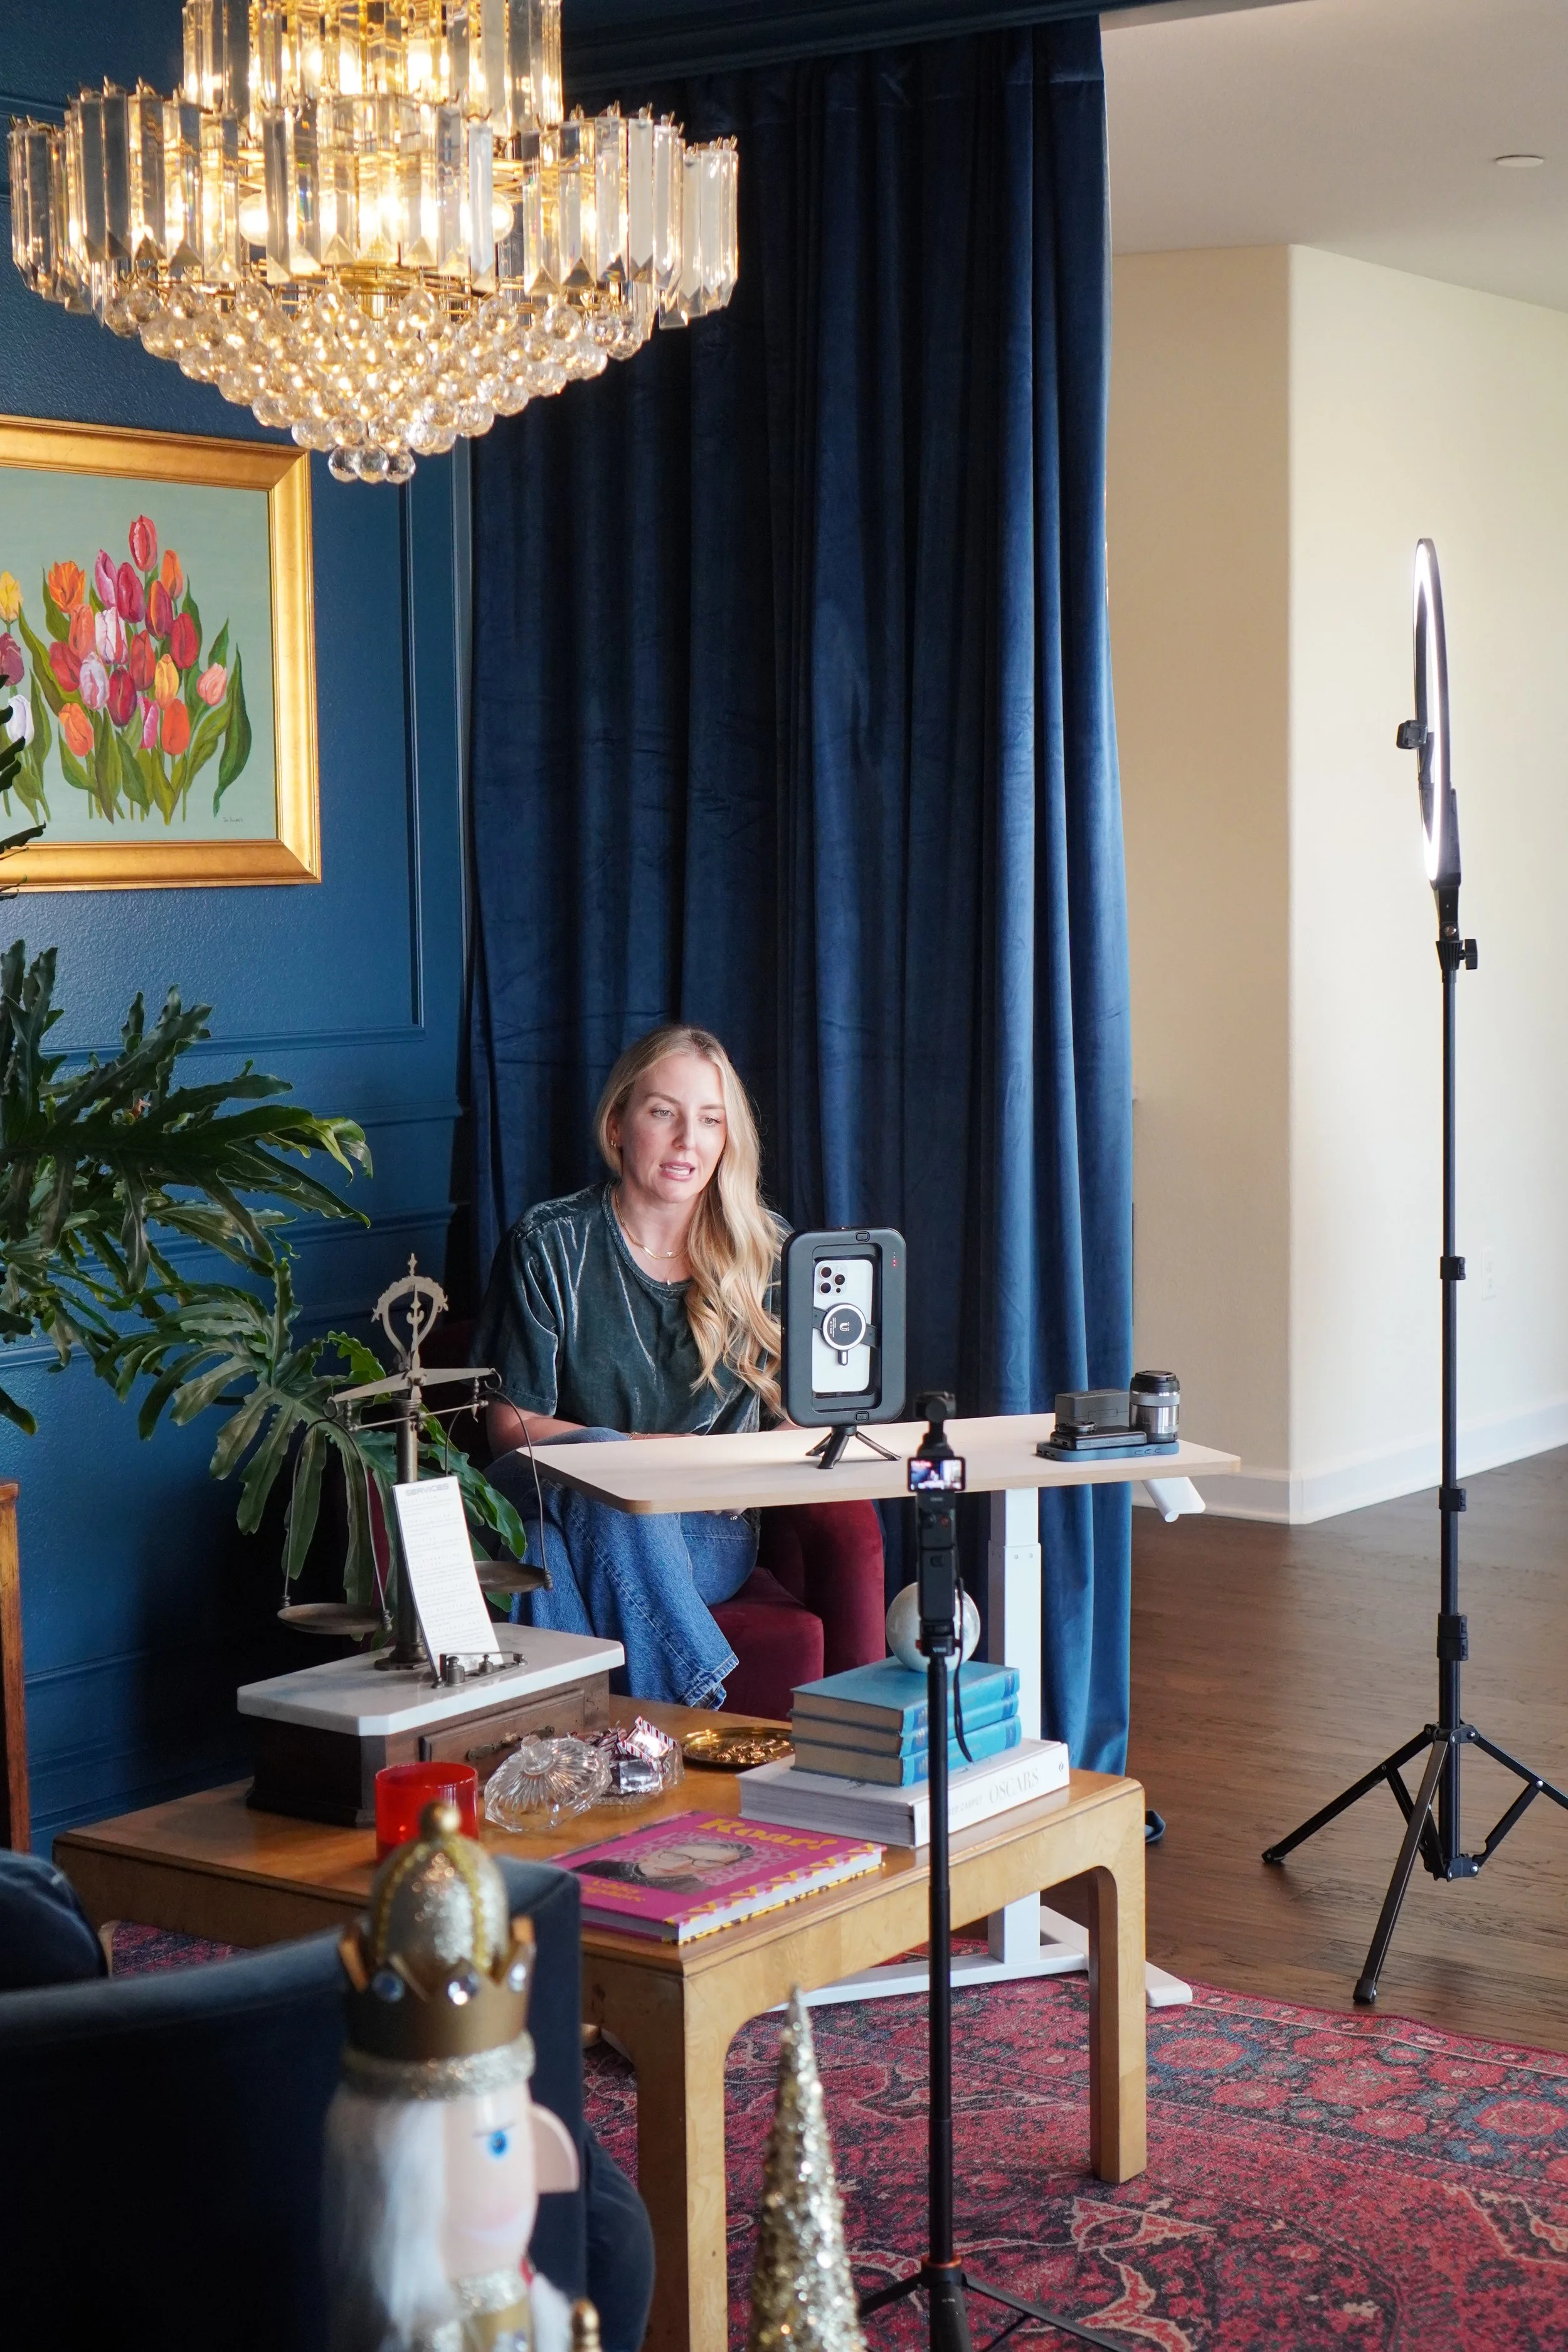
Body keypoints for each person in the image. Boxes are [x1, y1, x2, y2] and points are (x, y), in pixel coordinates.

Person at [476, 1024, 787, 1708]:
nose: (687, 1140)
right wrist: (630, 1456)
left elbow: (804, 1434)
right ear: (617, 1124)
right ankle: (685, 1716)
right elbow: (510, 1428)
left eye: (709, 1120)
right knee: (607, 1478)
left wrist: (693, 1472)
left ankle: (573, 1756)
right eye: (662, 1113)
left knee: (536, 1553)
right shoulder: (549, 1242)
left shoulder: (769, 1257)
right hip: (553, 1482)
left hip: (703, 1523)